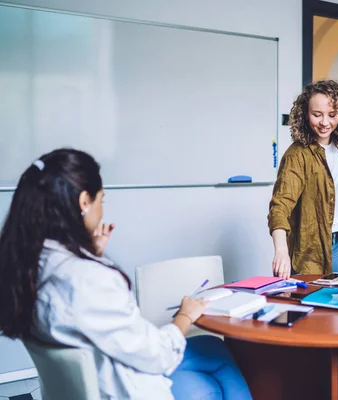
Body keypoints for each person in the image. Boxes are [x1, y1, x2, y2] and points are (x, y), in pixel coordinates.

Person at [0, 149, 252, 400]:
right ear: (84, 201)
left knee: (211, 349)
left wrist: (91, 254)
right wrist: (186, 314)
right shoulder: (90, 279)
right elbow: (158, 355)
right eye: (101, 199)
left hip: (91, 381)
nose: (102, 209)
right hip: (125, 387)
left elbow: (77, 310)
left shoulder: (28, 262)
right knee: (215, 362)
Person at [268, 80, 338, 278]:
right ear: (305, 115)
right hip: (309, 250)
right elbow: (279, 206)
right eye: (317, 115)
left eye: (332, 115)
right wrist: (281, 250)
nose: (325, 122)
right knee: (309, 307)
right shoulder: (297, 155)